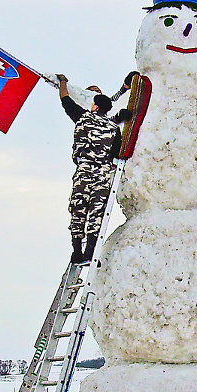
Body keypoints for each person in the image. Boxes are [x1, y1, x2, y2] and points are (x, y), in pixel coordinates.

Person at [56, 74, 122, 264]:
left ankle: (76, 250)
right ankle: (90, 251)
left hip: (85, 171)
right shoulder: (113, 127)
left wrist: (63, 82)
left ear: (95, 106)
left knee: (78, 210)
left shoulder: (83, 118)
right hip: (104, 174)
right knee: (96, 212)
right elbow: (117, 152)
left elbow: (65, 101)